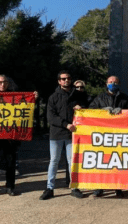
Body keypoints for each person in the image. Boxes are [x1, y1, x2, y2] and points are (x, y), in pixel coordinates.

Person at [40, 71, 89, 200]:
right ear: (59, 81)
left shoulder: (78, 95)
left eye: (68, 78)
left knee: (72, 161)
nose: (66, 80)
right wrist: (66, 124)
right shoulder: (53, 97)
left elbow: (89, 108)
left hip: (72, 134)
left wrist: (82, 108)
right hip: (56, 134)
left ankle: (74, 187)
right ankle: (49, 188)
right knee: (54, 161)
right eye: (63, 79)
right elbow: (51, 117)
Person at [0, 75, 34, 198]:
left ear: (8, 83)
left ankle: (10, 186)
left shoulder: (15, 96)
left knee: (10, 163)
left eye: (4, 82)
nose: (2, 84)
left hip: (10, 137)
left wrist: (33, 97)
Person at [89, 75, 128, 198]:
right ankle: (99, 187)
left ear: (119, 84)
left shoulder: (124, 98)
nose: (113, 83)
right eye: (110, 82)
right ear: (106, 84)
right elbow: (90, 111)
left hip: (119, 136)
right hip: (103, 136)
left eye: (115, 82)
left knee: (118, 162)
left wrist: (123, 111)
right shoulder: (99, 98)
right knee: (102, 161)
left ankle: (118, 187)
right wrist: (102, 110)